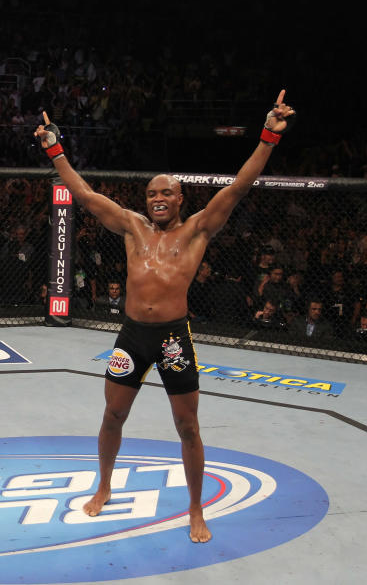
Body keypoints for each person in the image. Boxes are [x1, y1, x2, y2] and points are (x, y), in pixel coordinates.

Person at [35, 89, 296, 543]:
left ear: (180, 198)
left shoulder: (198, 229)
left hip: (174, 337)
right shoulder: (132, 226)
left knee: (188, 426)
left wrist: (268, 135)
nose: (158, 198)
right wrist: (54, 149)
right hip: (132, 335)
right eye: (152, 193)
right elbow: (84, 193)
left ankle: (196, 509)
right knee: (112, 416)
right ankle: (103, 486)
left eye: (166, 192)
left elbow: (239, 186)